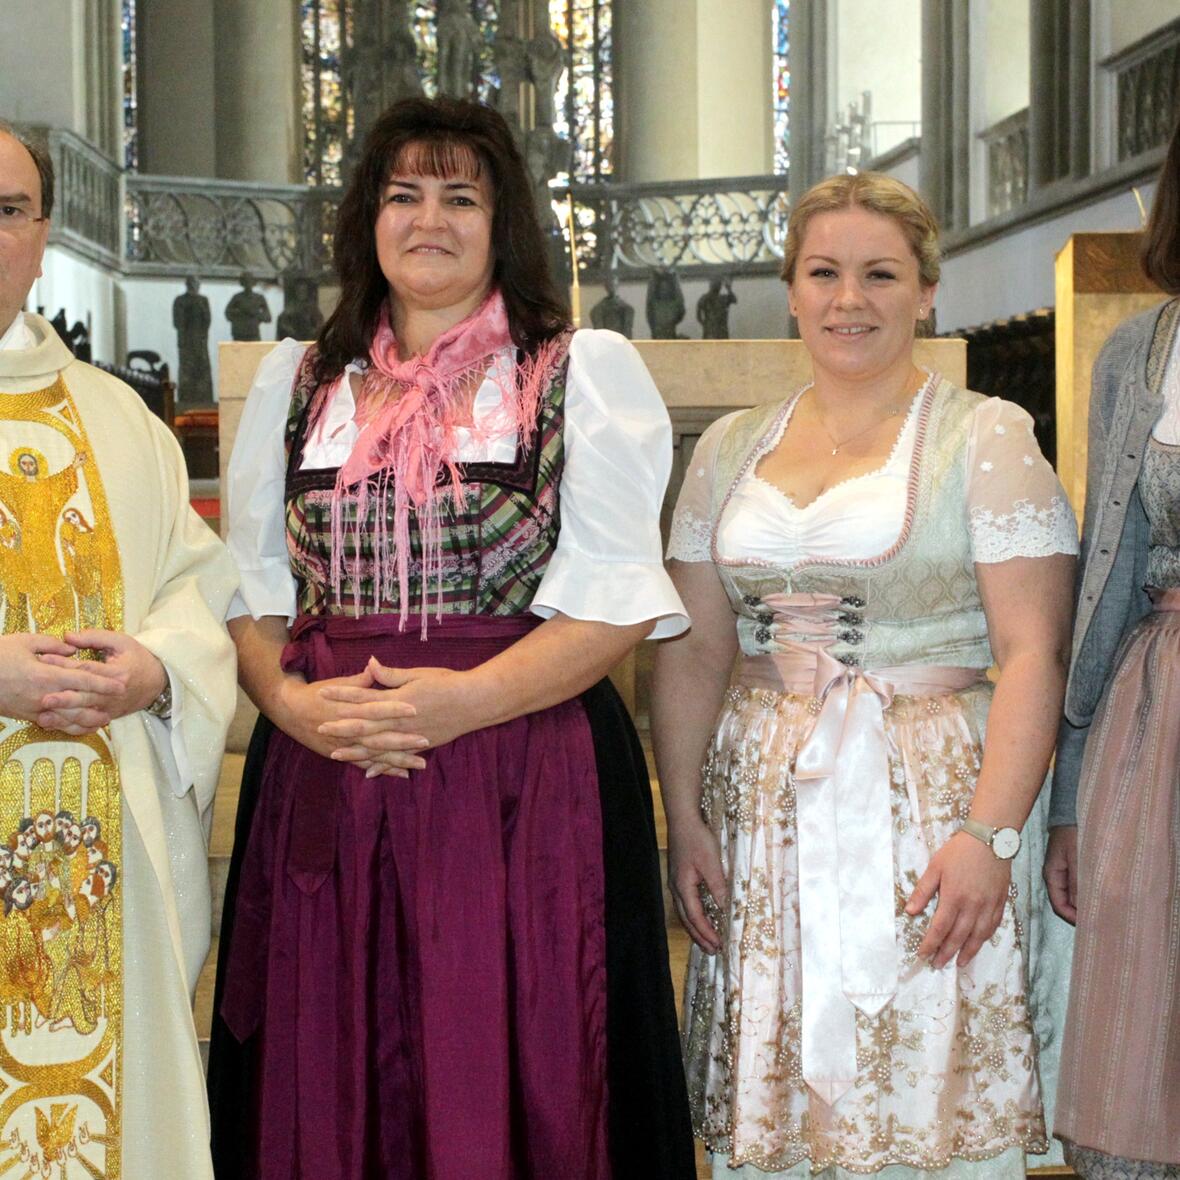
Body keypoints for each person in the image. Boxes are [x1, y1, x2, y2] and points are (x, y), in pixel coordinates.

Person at [208, 96, 695, 1180]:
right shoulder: (300, 384)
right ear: (366, 221)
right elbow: (249, 594)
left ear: (502, 222)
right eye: (403, 194)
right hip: (326, 765)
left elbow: (615, 603)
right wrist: (288, 707)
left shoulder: (575, 373)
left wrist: (459, 701)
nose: (429, 219)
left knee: (517, 1056)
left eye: (459, 196)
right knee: (330, 1063)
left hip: (518, 771)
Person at [652, 171, 1079, 1178]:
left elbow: (1031, 654)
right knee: (788, 1106)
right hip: (764, 810)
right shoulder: (725, 448)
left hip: (930, 804)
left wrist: (988, 833)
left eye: (880, 274)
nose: (851, 299)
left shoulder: (987, 437)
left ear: (925, 290)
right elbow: (695, 646)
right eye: (825, 273)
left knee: (925, 1082)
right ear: (792, 289)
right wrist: (684, 815)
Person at [0, 121, 237, 1178]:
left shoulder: (119, 419)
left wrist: (155, 672)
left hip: (97, 859)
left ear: (43, 231)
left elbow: (195, 589)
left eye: (8, 210)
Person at [1046, 115, 1180, 1179]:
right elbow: (1103, 568)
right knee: (1143, 1048)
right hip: (1158, 717)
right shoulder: (1140, 351)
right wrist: (1069, 795)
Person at [225, 271, 272, 342]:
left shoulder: (259, 298)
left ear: (253, 283)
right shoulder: (237, 298)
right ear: (242, 283)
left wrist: (256, 315)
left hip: (253, 334)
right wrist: (240, 314)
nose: (248, 284)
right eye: (245, 281)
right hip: (239, 334)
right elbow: (228, 313)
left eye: (250, 281)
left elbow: (268, 317)